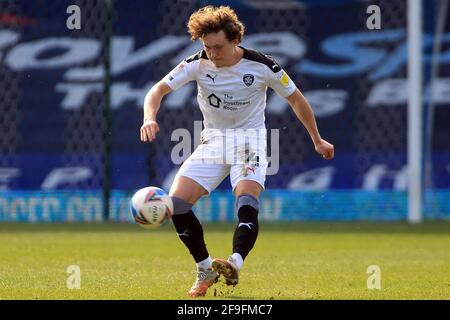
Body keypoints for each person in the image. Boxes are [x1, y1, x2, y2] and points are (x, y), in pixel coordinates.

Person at [140, 5, 334, 298]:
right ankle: (205, 268)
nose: (212, 54)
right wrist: (149, 118)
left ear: (234, 40)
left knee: (246, 198)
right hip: (213, 141)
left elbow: (296, 99)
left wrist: (317, 139)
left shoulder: (262, 66)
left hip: (249, 141)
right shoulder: (197, 63)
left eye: (218, 47)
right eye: (207, 47)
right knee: (176, 204)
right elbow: (156, 91)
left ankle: (235, 262)